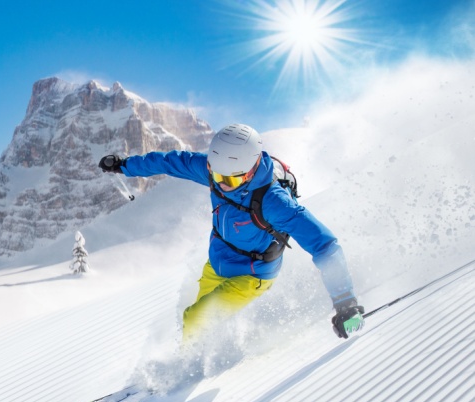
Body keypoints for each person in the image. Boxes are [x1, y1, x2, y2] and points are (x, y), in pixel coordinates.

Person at [99, 123, 364, 344]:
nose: (223, 185)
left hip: (251, 275)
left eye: (233, 179)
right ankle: (197, 350)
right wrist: (125, 166)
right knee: (193, 316)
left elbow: (324, 245)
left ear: (252, 168)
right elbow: (171, 162)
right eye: (217, 176)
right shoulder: (217, 173)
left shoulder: (274, 201)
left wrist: (345, 302)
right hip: (216, 263)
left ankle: (184, 368)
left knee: (196, 318)